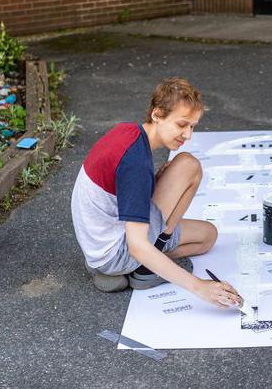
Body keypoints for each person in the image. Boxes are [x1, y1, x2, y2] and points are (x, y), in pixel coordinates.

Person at [71, 77, 242, 309]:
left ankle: (136, 266)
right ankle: (142, 268)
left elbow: (120, 191)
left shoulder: (128, 132)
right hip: (116, 254)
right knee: (189, 166)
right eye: (182, 125)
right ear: (157, 114)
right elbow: (137, 245)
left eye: (193, 126)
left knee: (207, 236)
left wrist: (153, 182)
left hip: (97, 246)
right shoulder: (137, 164)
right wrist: (199, 287)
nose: (188, 135)